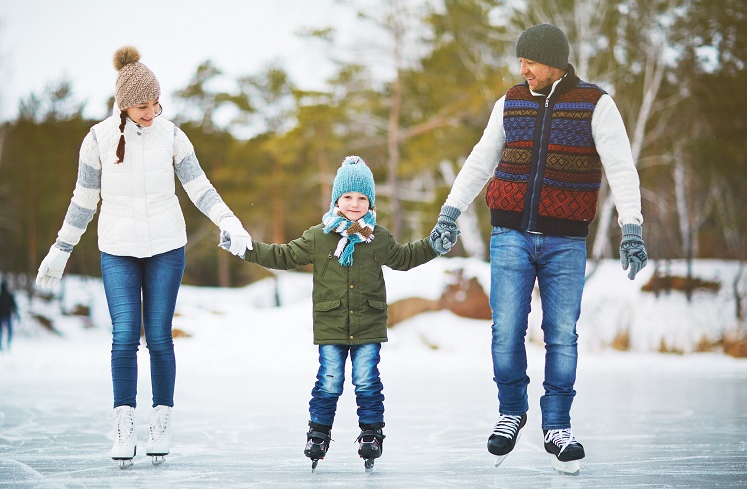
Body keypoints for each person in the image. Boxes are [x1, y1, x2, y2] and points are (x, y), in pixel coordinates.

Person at [431, 24, 648, 474]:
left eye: (529, 61)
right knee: (505, 329)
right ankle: (512, 411)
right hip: (509, 235)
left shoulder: (595, 104)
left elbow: (622, 168)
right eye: (520, 62)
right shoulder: (510, 101)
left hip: (566, 240)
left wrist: (631, 227)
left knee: (561, 334)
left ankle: (557, 426)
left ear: (554, 62)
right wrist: (450, 212)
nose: (522, 69)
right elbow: (480, 159)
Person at [34, 46, 252, 467]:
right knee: (123, 337)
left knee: (158, 336)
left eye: (156, 103)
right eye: (142, 105)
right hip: (117, 249)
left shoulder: (171, 134)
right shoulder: (97, 139)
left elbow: (199, 186)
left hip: (167, 248)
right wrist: (61, 248)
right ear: (123, 104)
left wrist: (230, 220)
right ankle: (123, 424)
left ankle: (161, 421)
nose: (151, 111)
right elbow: (83, 200)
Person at [224, 155, 452, 470]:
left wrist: (434, 246)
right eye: (347, 196)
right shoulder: (318, 236)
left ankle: (371, 433)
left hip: (368, 323)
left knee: (366, 379)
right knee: (329, 380)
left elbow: (404, 258)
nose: (354, 203)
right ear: (336, 200)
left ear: (370, 203)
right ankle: (318, 433)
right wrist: (245, 248)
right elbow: (283, 256)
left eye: (362, 198)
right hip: (332, 323)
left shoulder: (378, 237)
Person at [0, 279, 19, 352]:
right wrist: (16, 314)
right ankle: (6, 345)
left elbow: (13, 305)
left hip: (2, 316)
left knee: (1, 332)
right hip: (5, 316)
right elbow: (14, 306)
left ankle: (3, 346)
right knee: (8, 332)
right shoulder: (6, 295)